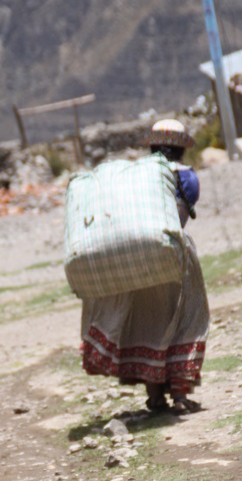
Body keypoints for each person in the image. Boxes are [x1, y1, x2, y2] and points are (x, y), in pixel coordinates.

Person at [80, 118, 210, 413]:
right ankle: (179, 395)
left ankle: (155, 397)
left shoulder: (138, 176)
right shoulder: (188, 177)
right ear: (181, 149)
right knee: (185, 322)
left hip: (140, 260)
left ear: (152, 145)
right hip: (175, 257)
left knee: (149, 325)